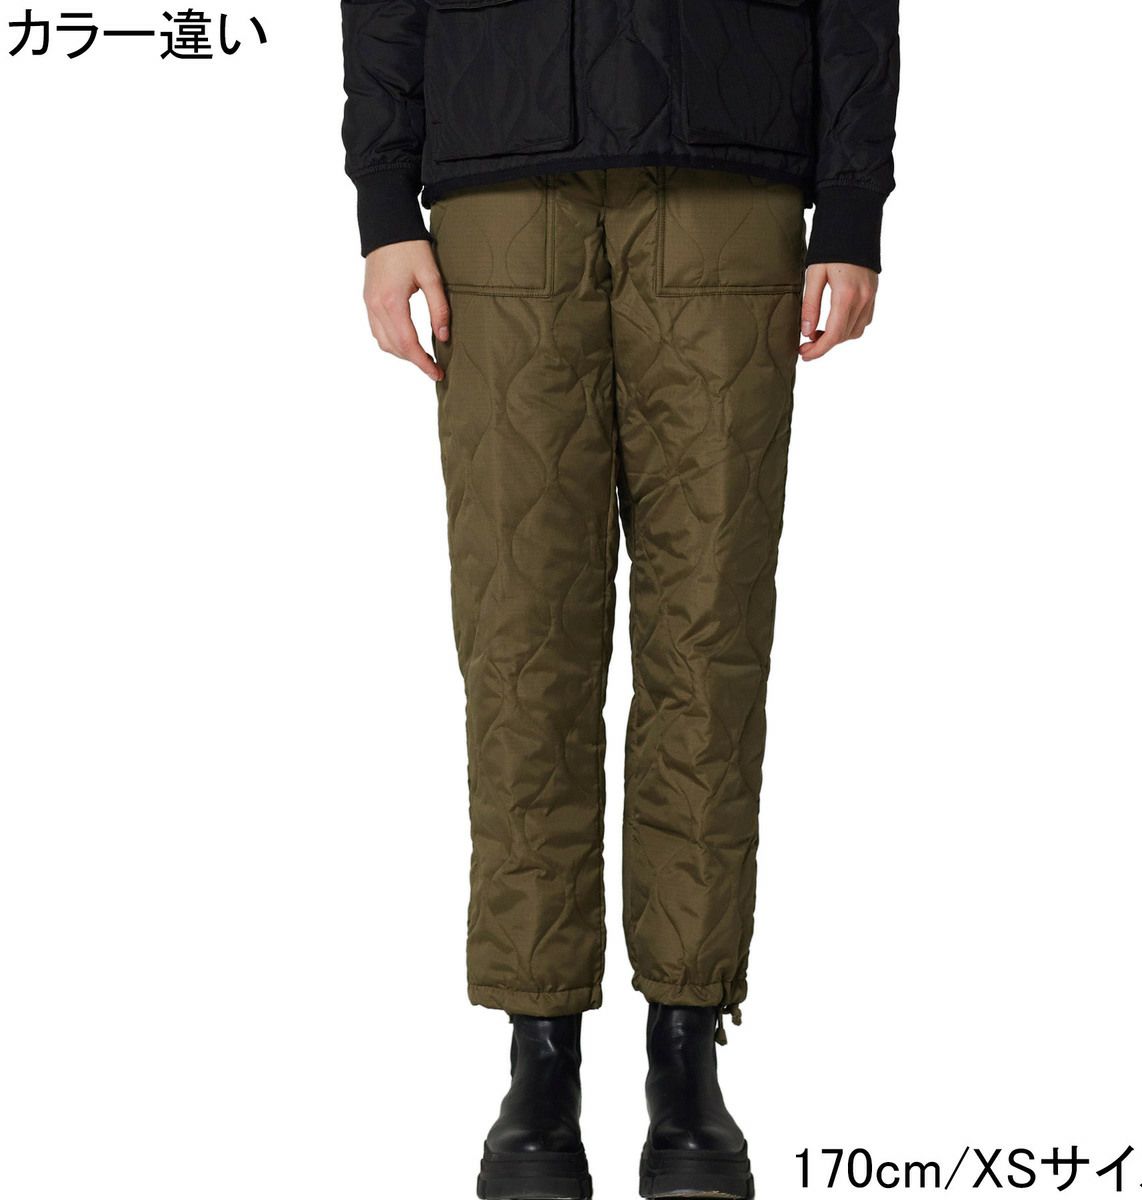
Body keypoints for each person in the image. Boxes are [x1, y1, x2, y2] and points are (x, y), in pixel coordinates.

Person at [341, 3, 899, 1197]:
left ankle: (685, 1049)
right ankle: (538, 1054)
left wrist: (853, 200)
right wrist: (384, 202)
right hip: (500, 175)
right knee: (520, 643)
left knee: (712, 638)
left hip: (726, 170)